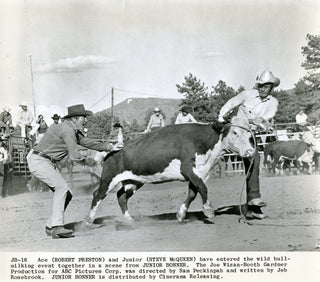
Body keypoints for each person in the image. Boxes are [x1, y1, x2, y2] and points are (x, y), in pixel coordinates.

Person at [27, 104, 122, 239]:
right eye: (84, 118)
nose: (86, 121)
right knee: (62, 187)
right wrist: (88, 162)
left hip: (45, 161)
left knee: (68, 194)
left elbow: (88, 142)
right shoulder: (67, 130)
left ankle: (51, 226)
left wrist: (109, 146)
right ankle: (57, 227)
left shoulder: (71, 129)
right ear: (75, 118)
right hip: (40, 161)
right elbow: (74, 155)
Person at [218, 70, 280, 219]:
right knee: (212, 156)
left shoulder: (273, 102)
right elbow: (231, 103)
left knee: (253, 160)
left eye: (266, 86)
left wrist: (260, 121)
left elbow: (268, 115)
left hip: (248, 136)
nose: (263, 89)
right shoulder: (246, 95)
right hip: (234, 133)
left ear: (272, 87)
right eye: (260, 86)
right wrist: (221, 117)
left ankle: (253, 204)